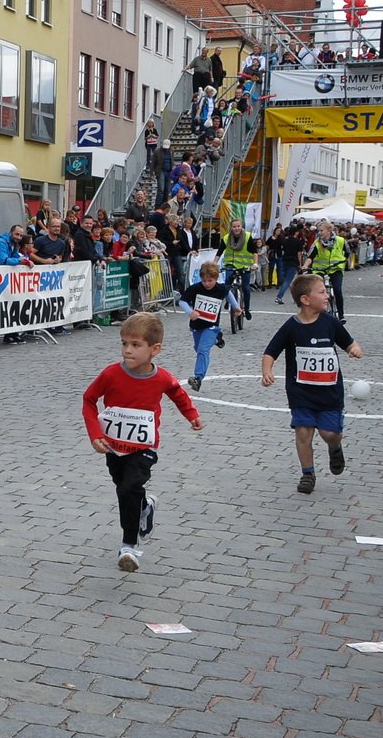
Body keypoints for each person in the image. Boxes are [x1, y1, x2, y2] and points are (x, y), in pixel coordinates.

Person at [81, 312, 202, 572]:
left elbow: (178, 394)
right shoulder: (111, 374)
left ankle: (129, 546)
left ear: (154, 349)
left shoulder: (162, 378)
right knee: (124, 488)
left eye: (135, 345)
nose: (127, 350)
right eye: (124, 344)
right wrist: (95, 434)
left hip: (144, 448)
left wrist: (191, 415)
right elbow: (89, 400)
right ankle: (145, 505)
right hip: (114, 447)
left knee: (128, 489)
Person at [261, 275, 362, 495]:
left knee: (329, 433)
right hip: (301, 392)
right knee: (303, 433)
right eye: (322, 292)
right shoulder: (291, 326)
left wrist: (354, 349)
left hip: (329, 392)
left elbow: (349, 342)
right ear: (306, 299)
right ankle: (308, 473)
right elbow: (271, 351)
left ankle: (335, 448)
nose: (327, 296)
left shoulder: (330, 322)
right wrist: (267, 371)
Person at [177, 262, 230, 391]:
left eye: (210, 281)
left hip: (212, 326)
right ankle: (217, 340)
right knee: (198, 347)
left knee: (202, 350)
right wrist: (190, 312)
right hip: (197, 325)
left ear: (216, 278)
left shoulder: (221, 288)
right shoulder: (195, 288)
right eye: (204, 280)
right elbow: (182, 301)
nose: (207, 283)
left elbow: (228, 294)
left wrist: (237, 307)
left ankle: (198, 378)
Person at [219, 219, 258, 329]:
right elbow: (219, 252)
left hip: (245, 265)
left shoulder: (247, 237)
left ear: (241, 226)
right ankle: (228, 300)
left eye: (238, 226)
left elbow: (254, 252)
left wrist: (255, 263)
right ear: (231, 227)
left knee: (246, 287)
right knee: (227, 283)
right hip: (230, 264)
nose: (236, 228)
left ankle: (247, 309)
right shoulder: (226, 238)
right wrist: (213, 264)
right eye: (234, 226)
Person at [306, 221, 348, 322]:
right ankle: (319, 312)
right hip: (320, 269)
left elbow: (347, 252)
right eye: (318, 231)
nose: (319, 233)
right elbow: (310, 257)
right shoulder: (317, 243)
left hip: (336, 269)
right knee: (319, 291)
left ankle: (341, 315)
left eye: (321, 230)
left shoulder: (341, 241)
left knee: (337, 290)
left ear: (329, 230)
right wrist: (305, 266)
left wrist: (344, 263)